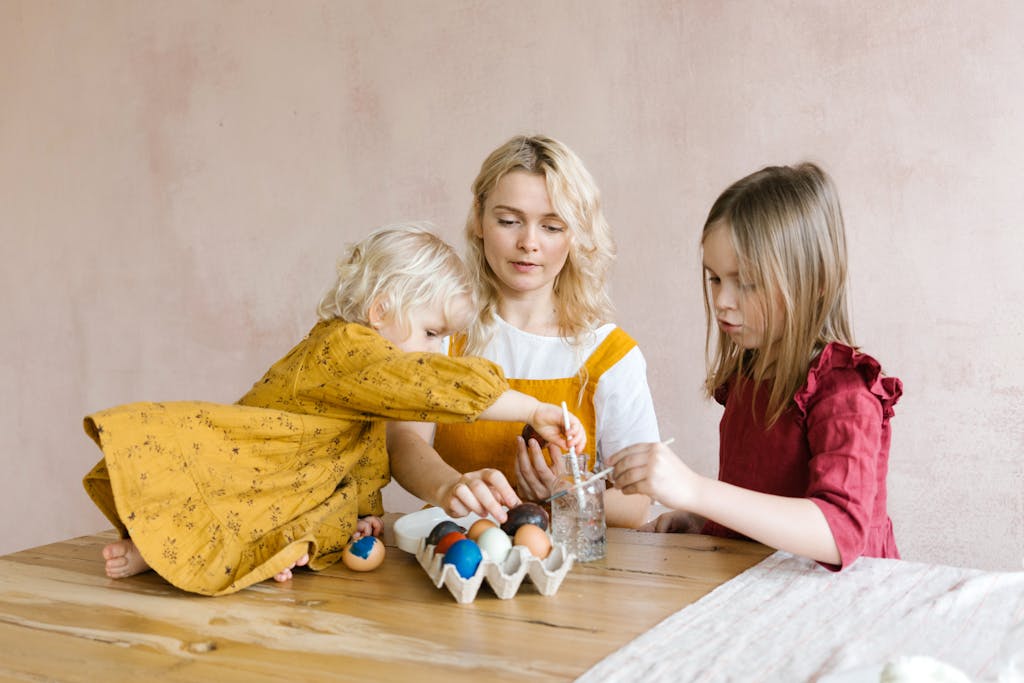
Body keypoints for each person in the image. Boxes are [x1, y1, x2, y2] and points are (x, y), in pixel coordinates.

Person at [82, 224, 585, 596]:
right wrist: (532, 408)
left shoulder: (370, 385)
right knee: (213, 504)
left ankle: (225, 560)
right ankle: (146, 551)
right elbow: (428, 383)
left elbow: (364, 455)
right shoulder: (346, 347)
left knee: (284, 533)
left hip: (295, 481)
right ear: (380, 310)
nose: (436, 351)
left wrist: (366, 511)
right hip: (257, 458)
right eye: (431, 333)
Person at [609, 163, 901, 569]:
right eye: (714, 279)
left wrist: (696, 491)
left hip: (842, 606)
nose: (723, 300)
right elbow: (763, 498)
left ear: (814, 281)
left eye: (746, 282)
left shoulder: (845, 392)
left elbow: (839, 533)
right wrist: (704, 519)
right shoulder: (750, 373)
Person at [388, 135, 659, 528]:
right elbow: (402, 444)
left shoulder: (610, 354)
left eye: (551, 226)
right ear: (479, 220)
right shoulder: (440, 333)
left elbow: (637, 505)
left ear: (575, 234)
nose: (528, 243)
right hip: (455, 557)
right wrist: (452, 487)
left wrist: (564, 492)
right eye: (509, 221)